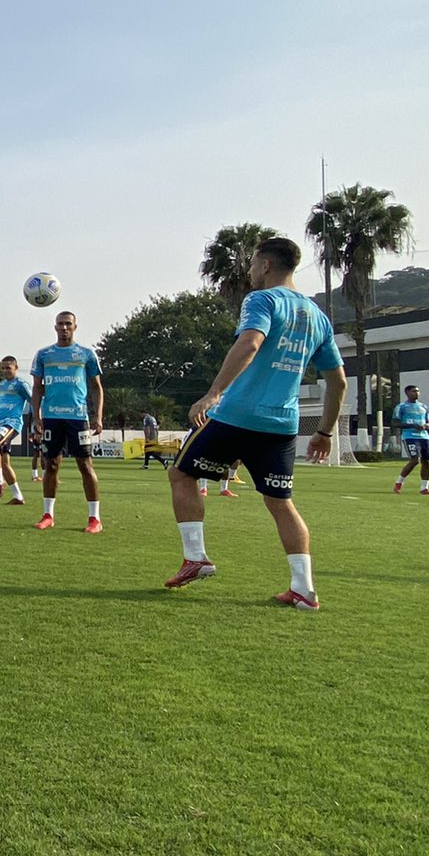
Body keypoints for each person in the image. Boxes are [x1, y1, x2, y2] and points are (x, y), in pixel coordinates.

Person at [165, 235, 347, 610]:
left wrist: (213, 393)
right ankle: (304, 589)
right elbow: (338, 381)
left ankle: (196, 557)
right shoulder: (318, 317)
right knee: (281, 504)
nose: (249, 270)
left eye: (252, 263)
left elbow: (250, 343)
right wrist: (325, 432)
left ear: (265, 265)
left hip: (237, 415)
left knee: (181, 474)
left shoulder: (262, 300)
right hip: (281, 424)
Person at [29, 310, 105, 532]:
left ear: (75, 327)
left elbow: (96, 387)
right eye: (60, 324)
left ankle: (94, 519)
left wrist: (97, 416)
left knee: (85, 464)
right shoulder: (44, 355)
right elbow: (37, 388)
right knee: (50, 465)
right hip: (52, 417)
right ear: (55, 327)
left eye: (68, 324)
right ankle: (48, 515)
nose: (64, 328)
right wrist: (37, 417)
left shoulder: (86, 354)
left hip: (78, 418)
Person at [0, 355, 29, 505]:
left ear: (16, 368)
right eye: (3, 368)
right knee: (5, 464)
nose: (5, 371)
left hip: (12, 424)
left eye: (8, 368)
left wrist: (39, 421)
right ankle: (18, 497)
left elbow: (33, 400)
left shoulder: (21, 385)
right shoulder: (1, 385)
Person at [392, 383, 429, 495]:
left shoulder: (424, 407)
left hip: (424, 437)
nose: (417, 393)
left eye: (418, 391)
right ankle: (399, 482)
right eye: (414, 391)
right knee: (415, 460)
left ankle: (424, 488)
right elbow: (395, 422)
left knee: (426, 462)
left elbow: (428, 422)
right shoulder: (401, 407)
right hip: (410, 436)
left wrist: (426, 426)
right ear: (407, 393)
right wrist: (412, 426)